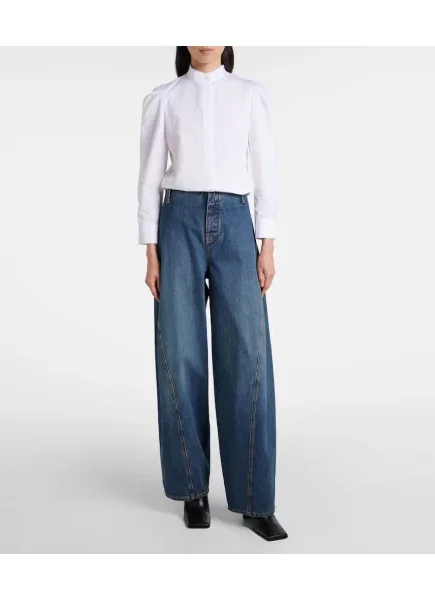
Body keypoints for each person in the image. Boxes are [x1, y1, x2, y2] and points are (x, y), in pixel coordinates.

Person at [137, 46, 287, 542]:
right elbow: (149, 177)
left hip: (237, 226)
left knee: (248, 357)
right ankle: (192, 492)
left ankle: (255, 500)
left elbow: (264, 168)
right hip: (176, 222)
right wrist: (151, 251)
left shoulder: (250, 95)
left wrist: (267, 243)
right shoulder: (164, 99)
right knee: (179, 355)